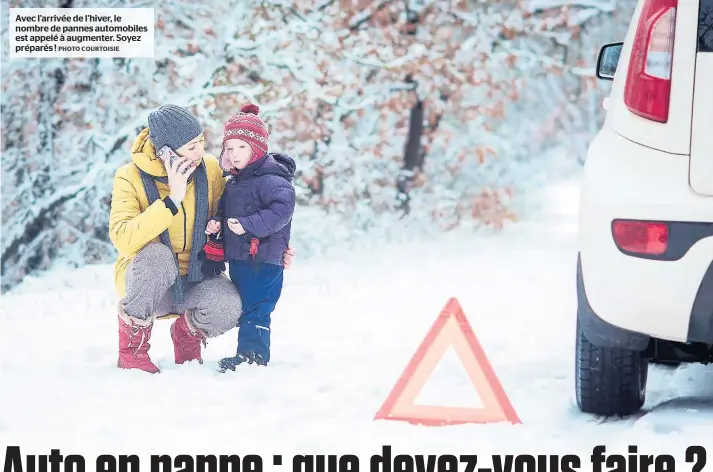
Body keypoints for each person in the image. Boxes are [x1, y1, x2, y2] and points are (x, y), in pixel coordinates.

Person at [108, 104, 295, 374]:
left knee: (231, 304)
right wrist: (172, 198)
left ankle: (186, 336)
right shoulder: (129, 177)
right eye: (191, 146)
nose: (200, 152)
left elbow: (239, 213)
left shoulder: (208, 168)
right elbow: (124, 239)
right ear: (166, 152)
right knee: (157, 258)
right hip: (148, 285)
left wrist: (273, 247)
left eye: (201, 143)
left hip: (195, 278)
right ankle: (132, 352)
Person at [201, 103, 296, 370]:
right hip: (241, 258)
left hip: (264, 258)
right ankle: (247, 352)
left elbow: (282, 210)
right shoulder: (235, 182)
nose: (235, 153)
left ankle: (253, 356)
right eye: (230, 148)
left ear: (257, 147)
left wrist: (248, 225)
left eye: (242, 147)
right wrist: (217, 224)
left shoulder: (272, 179)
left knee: (258, 307)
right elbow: (225, 210)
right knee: (246, 306)